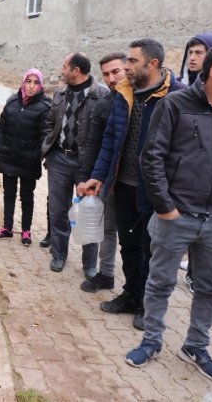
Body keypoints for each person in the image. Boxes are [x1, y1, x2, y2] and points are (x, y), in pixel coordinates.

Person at [124, 41, 212, 384]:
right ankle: (151, 340)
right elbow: (151, 157)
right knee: (160, 283)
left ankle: (196, 346)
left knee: (210, 288)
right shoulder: (175, 103)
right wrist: (166, 208)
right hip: (178, 216)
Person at [81, 39, 186, 330]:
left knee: (153, 248)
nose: (126, 66)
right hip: (123, 184)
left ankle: (148, 305)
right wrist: (99, 176)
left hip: (156, 190)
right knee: (129, 244)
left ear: (153, 64)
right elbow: (110, 140)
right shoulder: (124, 93)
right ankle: (131, 294)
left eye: (132, 61)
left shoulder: (177, 96)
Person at [41, 52, 109, 274]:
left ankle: (89, 265)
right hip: (59, 160)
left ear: (76, 70)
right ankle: (59, 256)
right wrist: (48, 149)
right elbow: (50, 123)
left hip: (87, 166)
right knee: (58, 210)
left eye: (64, 66)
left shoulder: (101, 96)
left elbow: (106, 135)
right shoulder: (60, 93)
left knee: (89, 214)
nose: (62, 70)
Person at [175, 32, 212, 293]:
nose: (192, 58)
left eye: (199, 53)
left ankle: (197, 273)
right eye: (190, 52)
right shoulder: (183, 92)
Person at [76, 52, 126, 292]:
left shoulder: (143, 101)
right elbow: (93, 144)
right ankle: (106, 274)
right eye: (106, 74)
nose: (111, 78)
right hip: (107, 179)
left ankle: (138, 288)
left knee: (137, 239)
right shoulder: (105, 104)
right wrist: (85, 177)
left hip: (137, 182)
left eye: (116, 71)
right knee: (107, 229)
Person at [0, 68, 51, 245]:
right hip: (8, 157)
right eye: (28, 81)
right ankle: (7, 228)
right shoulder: (12, 103)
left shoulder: (45, 107)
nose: (31, 86)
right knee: (8, 193)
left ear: (40, 85)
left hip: (28, 161)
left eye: (36, 82)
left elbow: (45, 136)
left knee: (27, 195)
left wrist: (36, 156)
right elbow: (0, 126)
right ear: (23, 82)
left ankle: (26, 231)